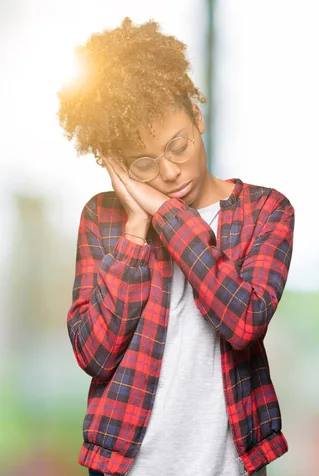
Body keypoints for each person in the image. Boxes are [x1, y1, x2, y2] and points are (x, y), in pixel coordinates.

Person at [58, 17, 294, 476]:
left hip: (230, 465)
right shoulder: (101, 219)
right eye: (143, 163)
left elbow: (243, 322)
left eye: (178, 146)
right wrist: (134, 232)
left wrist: (165, 215)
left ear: (197, 116)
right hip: (124, 464)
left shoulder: (267, 211)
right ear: (117, 164)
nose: (168, 173)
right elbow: (94, 354)